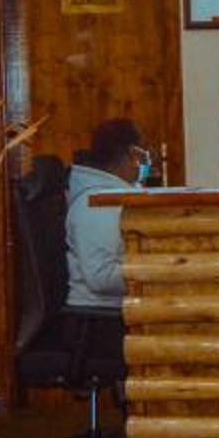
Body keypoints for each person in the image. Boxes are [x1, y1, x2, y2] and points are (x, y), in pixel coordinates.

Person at [63, 117, 150, 310]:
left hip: (118, 308)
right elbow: (101, 276)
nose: (147, 163)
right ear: (133, 154)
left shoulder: (119, 194)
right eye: (145, 154)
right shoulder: (96, 204)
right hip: (99, 316)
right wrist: (156, 272)